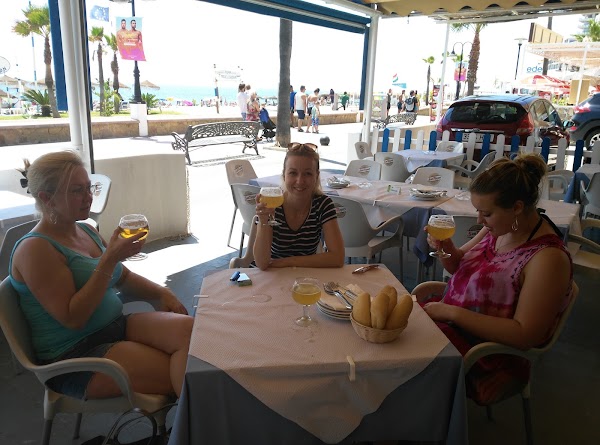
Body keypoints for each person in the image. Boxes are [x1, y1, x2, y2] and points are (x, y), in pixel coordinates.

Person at [9, 151, 193, 400]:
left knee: (192, 335)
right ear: (47, 198)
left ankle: (192, 414)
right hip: (75, 355)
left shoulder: (86, 230)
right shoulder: (36, 249)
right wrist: (109, 259)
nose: (89, 197)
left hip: (114, 326)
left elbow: (123, 277)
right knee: (186, 370)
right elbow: (73, 318)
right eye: (77, 191)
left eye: (89, 187)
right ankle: (196, 420)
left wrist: (161, 293)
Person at [420, 154, 573, 405]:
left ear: (517, 207)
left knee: (403, 359)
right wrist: (445, 247)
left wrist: (451, 313)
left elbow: (525, 335)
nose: (479, 220)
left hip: (490, 357)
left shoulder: (548, 259)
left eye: (486, 213)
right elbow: (458, 265)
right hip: (455, 326)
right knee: (395, 338)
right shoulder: (501, 226)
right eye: (478, 212)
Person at [254, 143, 345, 270]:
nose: (300, 181)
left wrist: (288, 262)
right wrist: (263, 220)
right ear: (284, 175)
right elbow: (262, 263)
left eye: (307, 173)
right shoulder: (272, 204)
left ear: (316, 176)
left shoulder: (323, 204)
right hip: (273, 273)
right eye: (293, 173)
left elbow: (338, 258)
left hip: (303, 275)